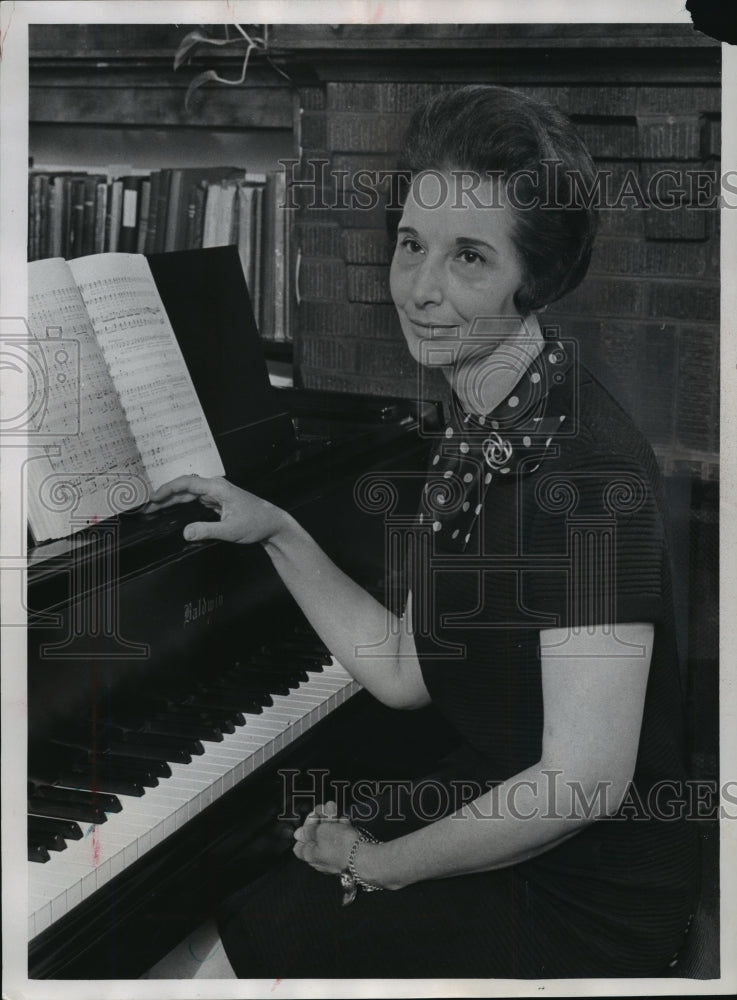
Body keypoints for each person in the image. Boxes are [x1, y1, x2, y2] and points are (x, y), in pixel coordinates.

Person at [150, 86, 699, 979]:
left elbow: (584, 784)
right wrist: (279, 530)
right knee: (237, 905)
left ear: (538, 279)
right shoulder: (483, 419)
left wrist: (379, 865)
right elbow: (406, 671)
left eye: (469, 258)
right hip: (500, 805)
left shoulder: (587, 476)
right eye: (411, 245)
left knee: (226, 953)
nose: (419, 289)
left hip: (588, 890)